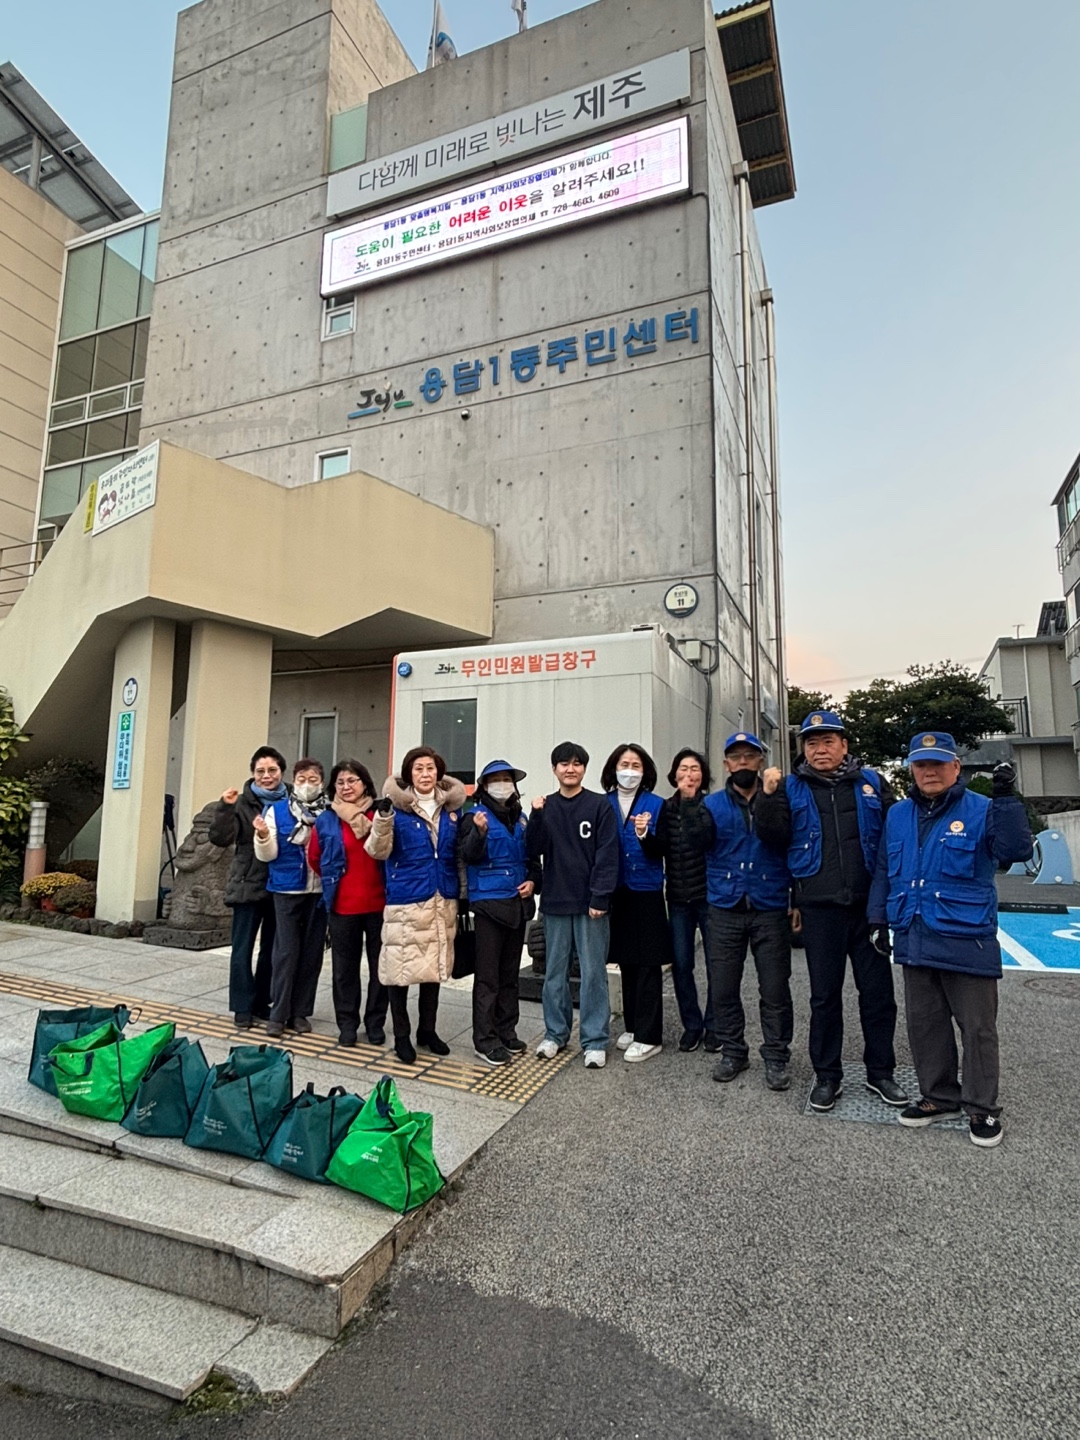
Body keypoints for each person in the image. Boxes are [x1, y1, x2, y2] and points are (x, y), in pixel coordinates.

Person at [868, 736, 1033, 1147]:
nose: (929, 771)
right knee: (926, 1025)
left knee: (977, 1028)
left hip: (966, 935)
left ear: (956, 768)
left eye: (938, 764)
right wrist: (877, 918)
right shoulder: (898, 814)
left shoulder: (983, 809)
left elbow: (1015, 849)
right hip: (914, 932)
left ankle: (982, 1108)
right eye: (921, 764)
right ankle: (939, 1095)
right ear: (911, 769)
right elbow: (885, 869)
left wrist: (1007, 799)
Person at [756, 708, 907, 1113]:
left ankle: (881, 1073)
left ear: (844, 745)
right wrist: (768, 794)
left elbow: (899, 835)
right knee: (824, 997)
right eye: (811, 742)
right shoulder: (790, 787)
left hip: (869, 908)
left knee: (878, 995)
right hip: (819, 909)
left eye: (828, 741)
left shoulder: (873, 783)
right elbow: (771, 837)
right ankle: (827, 1076)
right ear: (803, 749)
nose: (820, 749)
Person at [704, 732, 794, 1091]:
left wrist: (795, 900)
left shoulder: (779, 796)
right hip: (724, 904)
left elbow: (793, 847)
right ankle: (733, 1051)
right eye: (735, 757)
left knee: (774, 987)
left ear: (760, 760)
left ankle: (776, 1055)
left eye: (749, 756)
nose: (742, 761)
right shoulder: (710, 804)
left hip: (769, 903)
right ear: (726, 764)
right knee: (723, 986)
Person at [365, 745, 464, 1065]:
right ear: (409, 774)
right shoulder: (395, 809)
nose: (425, 774)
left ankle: (428, 1031)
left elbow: (456, 854)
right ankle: (403, 1036)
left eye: (431, 768)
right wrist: (381, 819)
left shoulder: (451, 811)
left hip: (441, 898)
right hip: (407, 898)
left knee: (433, 971)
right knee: (401, 972)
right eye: (419, 768)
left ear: (439, 773)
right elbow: (377, 851)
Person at [526, 741, 620, 1069]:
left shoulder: (599, 806)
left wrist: (600, 896)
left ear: (584, 769)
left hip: (589, 904)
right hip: (554, 901)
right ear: (554, 769)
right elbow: (533, 848)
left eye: (577, 763)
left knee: (594, 973)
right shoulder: (544, 806)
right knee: (554, 973)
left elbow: (608, 855)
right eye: (564, 763)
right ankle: (555, 1033)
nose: (570, 768)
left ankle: (595, 1040)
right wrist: (536, 816)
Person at [457, 759, 540, 1065]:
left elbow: (533, 858)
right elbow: (467, 856)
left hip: (517, 906)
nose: (503, 784)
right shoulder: (473, 817)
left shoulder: (522, 819)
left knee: (510, 976)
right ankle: (485, 1040)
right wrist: (478, 833)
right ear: (484, 786)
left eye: (508, 779)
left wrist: (533, 881)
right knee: (488, 978)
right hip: (489, 907)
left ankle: (507, 1030)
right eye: (496, 780)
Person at [309, 759, 389, 1048]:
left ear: (365, 783)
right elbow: (315, 858)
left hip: (380, 904)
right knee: (345, 969)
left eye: (352, 780)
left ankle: (375, 1023)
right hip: (343, 905)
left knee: (382, 969)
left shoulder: (380, 813)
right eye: (341, 782)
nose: (346, 787)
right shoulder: (327, 819)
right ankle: (347, 1023)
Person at [601, 743, 670, 1063]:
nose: (629, 770)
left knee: (647, 963)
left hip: (646, 890)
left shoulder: (658, 805)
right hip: (617, 890)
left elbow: (664, 848)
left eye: (636, 765)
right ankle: (632, 1025)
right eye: (624, 764)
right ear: (614, 768)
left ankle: (649, 1035)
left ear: (645, 772)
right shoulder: (603, 805)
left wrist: (645, 835)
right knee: (626, 960)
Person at [208, 745, 286, 1029]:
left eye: (272, 770)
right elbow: (219, 838)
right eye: (260, 771)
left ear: (281, 772)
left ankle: (262, 1002)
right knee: (242, 948)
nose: (267, 776)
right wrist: (225, 809)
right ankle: (242, 1006)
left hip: (280, 884)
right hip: (246, 883)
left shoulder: (290, 800)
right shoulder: (241, 802)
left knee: (272, 949)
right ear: (253, 774)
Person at [252, 757, 328, 1039]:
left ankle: (300, 1013)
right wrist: (262, 835)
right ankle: (278, 1013)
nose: (307, 785)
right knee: (285, 953)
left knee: (311, 955)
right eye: (301, 779)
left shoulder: (328, 813)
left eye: (312, 780)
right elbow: (267, 855)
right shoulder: (277, 810)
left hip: (319, 891)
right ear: (293, 781)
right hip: (286, 890)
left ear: (321, 782)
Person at [656, 748, 715, 1052]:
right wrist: (643, 835)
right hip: (678, 898)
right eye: (683, 768)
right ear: (674, 774)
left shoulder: (712, 805)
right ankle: (692, 1025)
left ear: (703, 775)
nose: (688, 774)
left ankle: (715, 1025)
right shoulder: (665, 808)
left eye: (694, 769)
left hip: (709, 897)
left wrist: (692, 803)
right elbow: (659, 848)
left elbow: (708, 840)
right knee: (681, 964)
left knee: (717, 964)